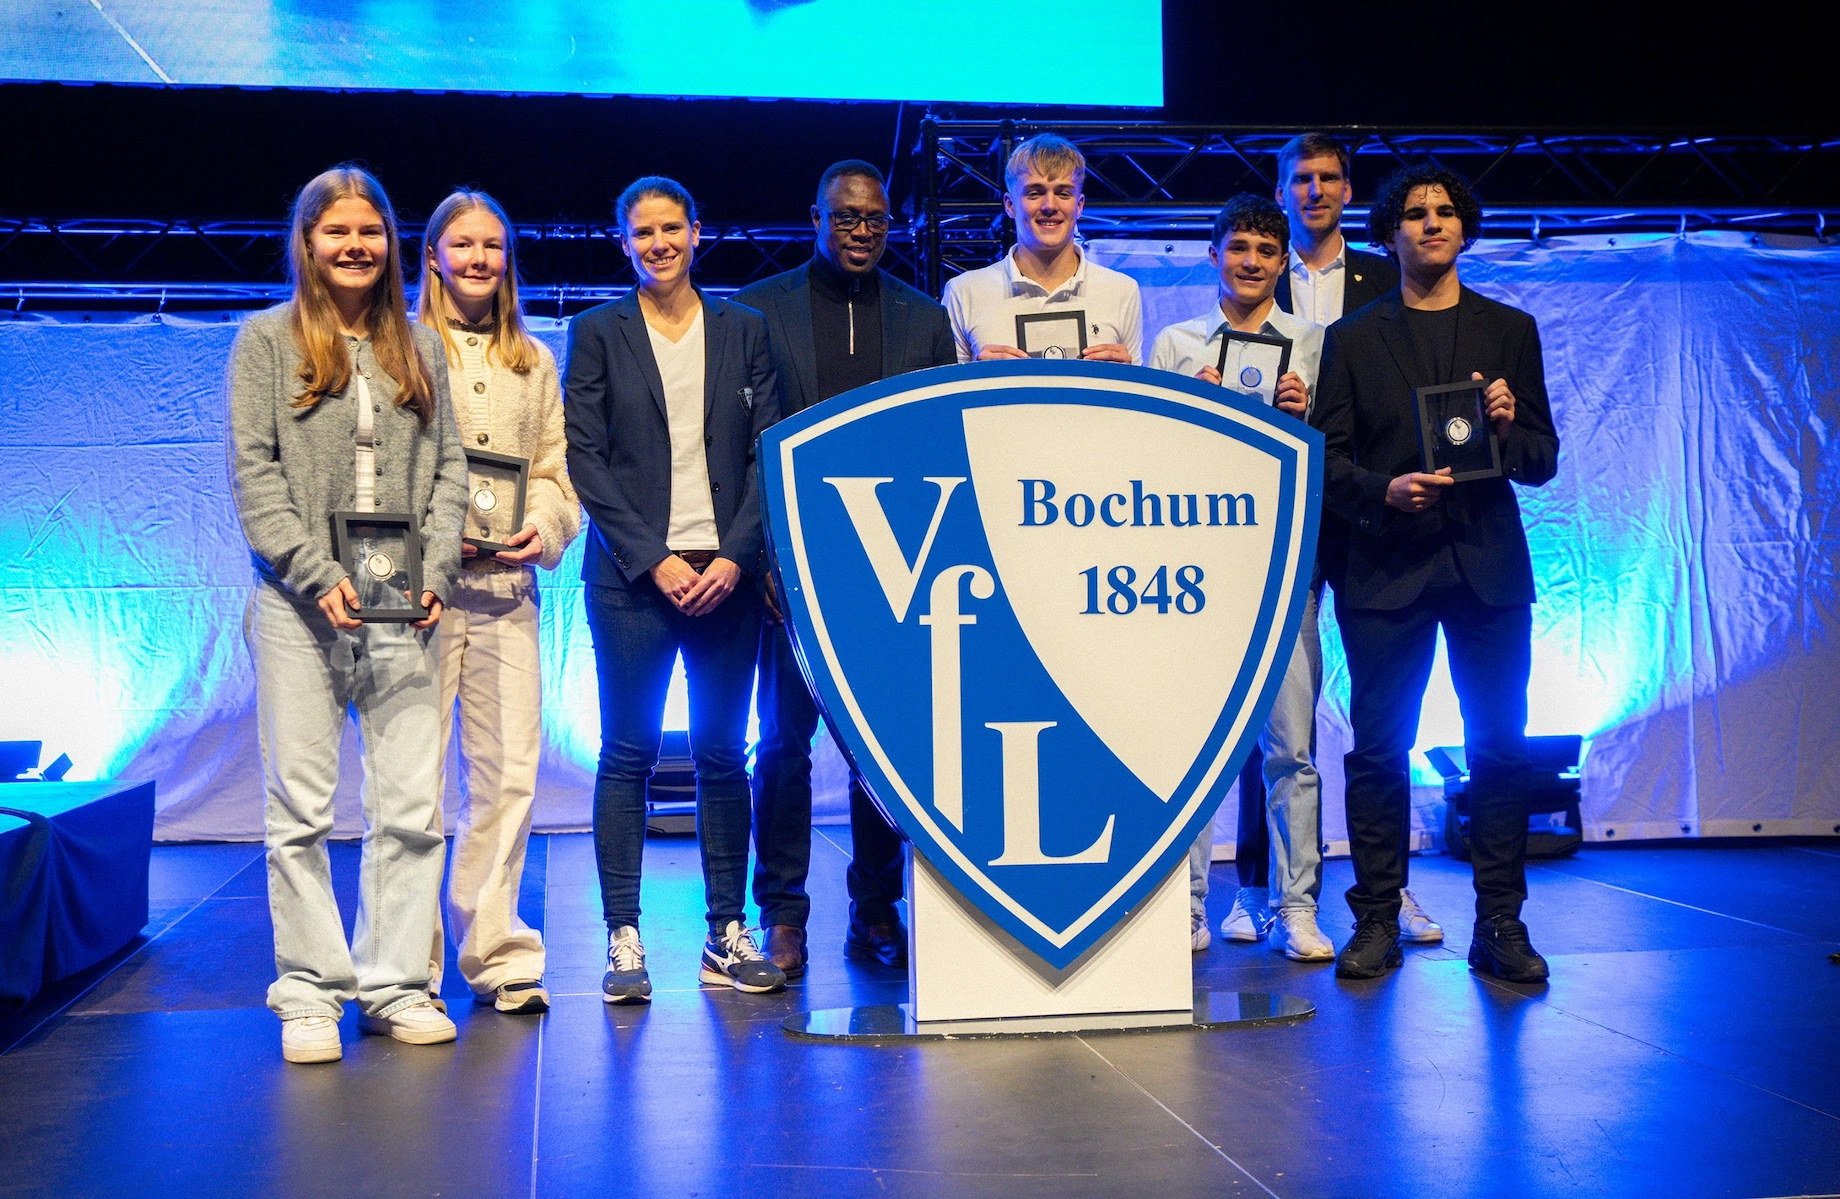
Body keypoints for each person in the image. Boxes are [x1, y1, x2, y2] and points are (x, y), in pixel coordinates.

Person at [226, 165, 467, 1063]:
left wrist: (437, 567)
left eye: (369, 231)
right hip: (300, 608)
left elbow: (451, 471)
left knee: (410, 806)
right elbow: (255, 475)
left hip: (405, 607)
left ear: (391, 243)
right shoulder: (264, 341)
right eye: (337, 231)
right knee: (300, 809)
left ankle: (395, 983)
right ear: (308, 241)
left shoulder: (422, 345)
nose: (355, 246)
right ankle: (310, 992)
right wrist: (313, 571)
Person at [1310, 165, 1559, 983]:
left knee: (1501, 746)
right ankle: (1377, 918)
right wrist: (1384, 490)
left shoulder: (1510, 329)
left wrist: (1509, 426)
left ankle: (1501, 923)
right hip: (1386, 566)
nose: (1431, 223)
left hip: (1487, 565)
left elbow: (1542, 460)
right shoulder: (1352, 338)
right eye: (1414, 213)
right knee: (1380, 749)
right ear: (1389, 233)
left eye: (1446, 211)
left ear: (1465, 227)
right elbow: (1323, 461)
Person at [733, 160, 957, 977]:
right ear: (816, 218)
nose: (861, 230)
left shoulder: (924, 319)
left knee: (881, 750)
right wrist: (760, 553)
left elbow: (939, 445)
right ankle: (783, 914)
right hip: (789, 570)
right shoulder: (759, 310)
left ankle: (875, 907)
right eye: (845, 216)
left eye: (874, 218)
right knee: (781, 746)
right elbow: (745, 445)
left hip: (889, 570)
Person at [564, 176, 785, 1003]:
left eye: (671, 228)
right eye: (642, 232)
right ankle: (624, 936)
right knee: (627, 752)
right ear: (623, 243)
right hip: (633, 579)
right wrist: (654, 558)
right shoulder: (597, 331)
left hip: (727, 575)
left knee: (724, 753)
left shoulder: (745, 328)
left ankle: (727, 932)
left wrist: (737, 557)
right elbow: (584, 456)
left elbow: (769, 450)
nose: (658, 243)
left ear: (698, 231)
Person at [1148, 195, 1333, 962]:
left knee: (1291, 748)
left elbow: (1333, 455)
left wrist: (1304, 416)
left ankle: (1297, 908)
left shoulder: (1315, 344)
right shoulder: (1175, 343)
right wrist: (1191, 407)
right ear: (1214, 252)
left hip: (1283, 566)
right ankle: (1187, 906)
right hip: (1199, 568)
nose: (1251, 261)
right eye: (1238, 247)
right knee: (1194, 746)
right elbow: (1148, 454)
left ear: (1284, 261)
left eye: (1265, 249)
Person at [416, 189, 580, 1015]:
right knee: (414, 781)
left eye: (492, 245)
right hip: (422, 595)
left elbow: (555, 473)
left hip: (507, 592)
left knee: (510, 776)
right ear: (434, 256)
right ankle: (407, 968)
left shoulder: (533, 359)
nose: (479, 258)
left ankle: (498, 953)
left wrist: (541, 527)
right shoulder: (404, 348)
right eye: (463, 244)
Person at [943, 133, 1142, 365]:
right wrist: (975, 376)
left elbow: (1137, 386)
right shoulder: (964, 292)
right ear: (1010, 205)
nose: (1050, 206)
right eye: (1035, 193)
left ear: (1079, 205)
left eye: (1063, 193)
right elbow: (947, 388)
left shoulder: (1121, 291)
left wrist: (1127, 377)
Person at [1273, 132, 1401, 326]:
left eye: (1328, 178)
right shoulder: (1261, 277)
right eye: (1302, 179)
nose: (1316, 191)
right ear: (1281, 194)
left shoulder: (1388, 276)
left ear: (1346, 191)